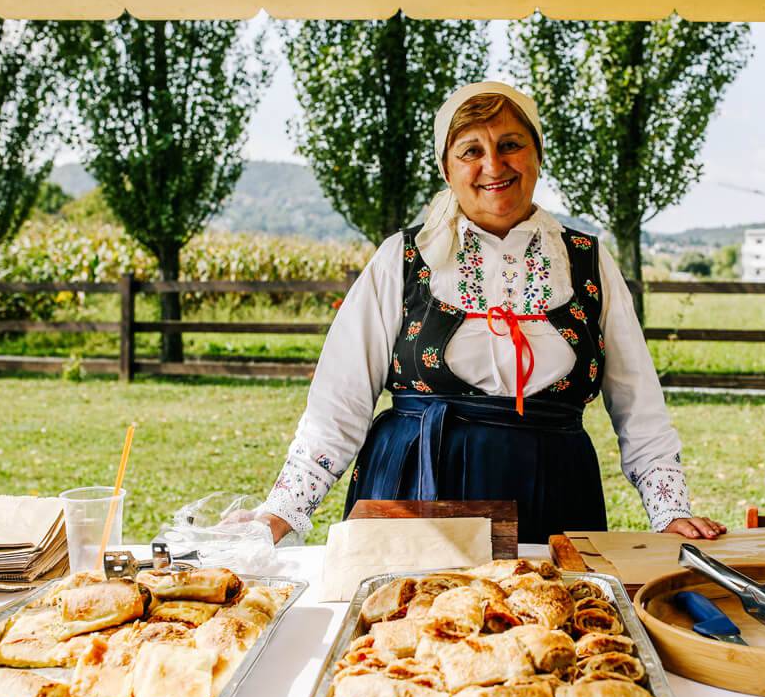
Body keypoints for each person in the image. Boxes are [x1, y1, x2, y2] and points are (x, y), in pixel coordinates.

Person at [251, 81, 725, 545]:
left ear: (537, 155)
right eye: (471, 151)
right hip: (418, 490)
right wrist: (283, 511)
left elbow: (639, 403)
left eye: (510, 144)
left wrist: (670, 511)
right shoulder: (404, 257)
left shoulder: (586, 261)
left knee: (551, 619)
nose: (493, 165)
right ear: (447, 168)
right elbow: (340, 400)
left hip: (556, 492)